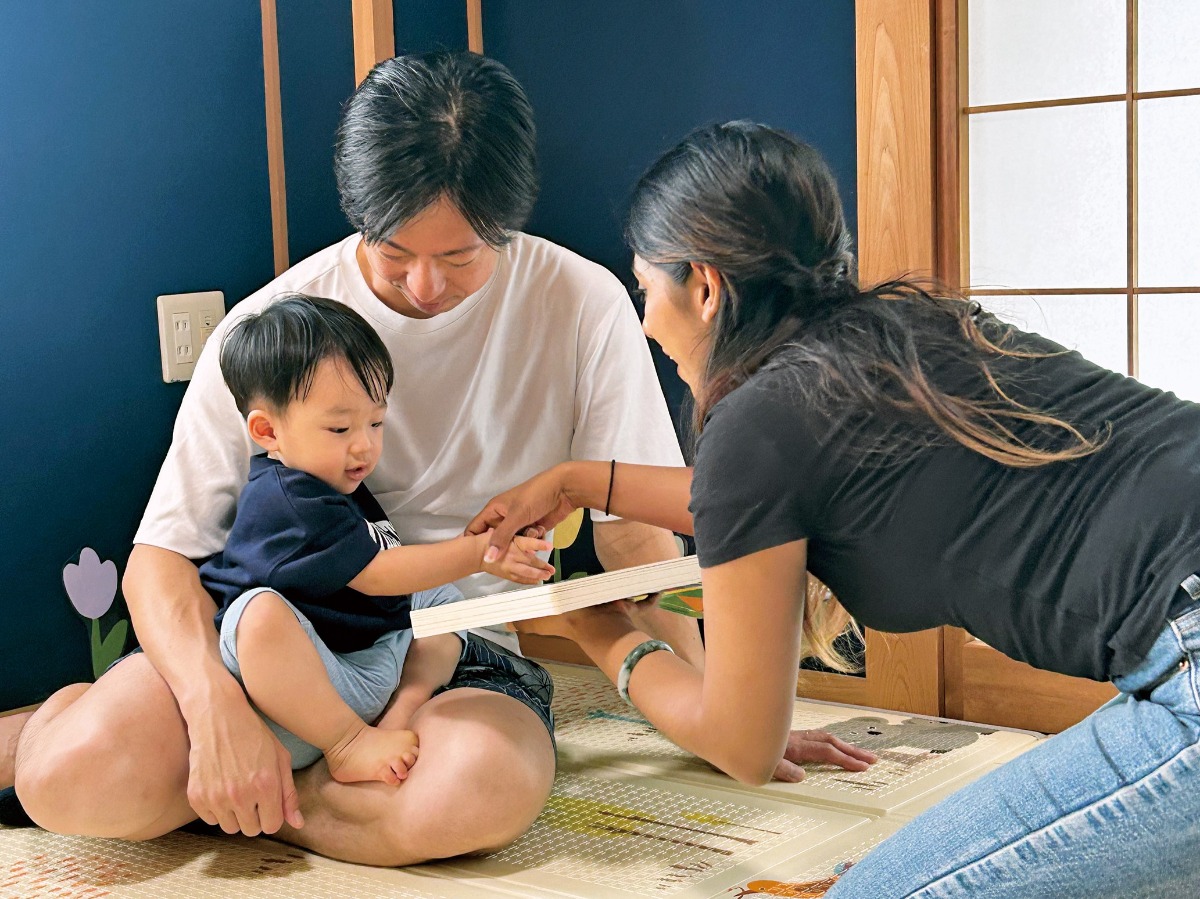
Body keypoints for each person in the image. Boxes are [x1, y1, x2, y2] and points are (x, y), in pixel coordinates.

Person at [6, 51, 715, 865]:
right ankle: (230, 763)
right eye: (394, 253)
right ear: (359, 215)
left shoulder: (582, 304)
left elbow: (634, 542)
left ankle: (259, 796)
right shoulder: (271, 329)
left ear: (507, 221)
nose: (423, 286)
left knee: (473, 792)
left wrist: (704, 713)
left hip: (453, 649)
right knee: (73, 779)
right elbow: (161, 559)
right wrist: (213, 710)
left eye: (458, 259)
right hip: (275, 646)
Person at [468, 120, 1200, 898]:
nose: (646, 319)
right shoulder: (913, 333)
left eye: (647, 286)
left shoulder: (759, 424)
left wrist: (602, 633)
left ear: (706, 286)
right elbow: (766, 502)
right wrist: (582, 480)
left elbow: (744, 743)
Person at [202, 294, 553, 788]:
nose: (365, 444)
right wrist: (479, 553)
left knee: (444, 603)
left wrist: (469, 549)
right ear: (268, 431)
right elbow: (378, 574)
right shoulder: (286, 498)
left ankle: (400, 713)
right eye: (340, 427)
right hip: (301, 696)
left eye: (376, 422)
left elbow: (397, 575)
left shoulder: (335, 481)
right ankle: (346, 744)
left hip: (369, 663)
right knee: (255, 615)